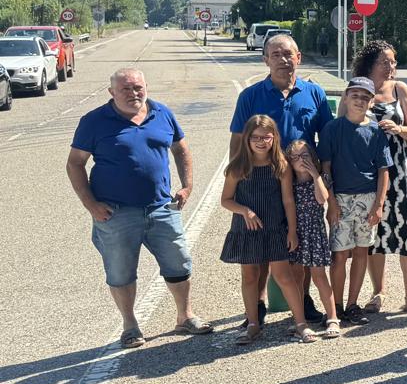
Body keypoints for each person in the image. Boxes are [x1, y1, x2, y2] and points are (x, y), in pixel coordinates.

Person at [67, 67, 212, 347]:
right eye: (126, 89)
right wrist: (90, 204)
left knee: (179, 263)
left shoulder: (162, 113)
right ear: (111, 92)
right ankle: (130, 326)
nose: (134, 93)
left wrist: (187, 186)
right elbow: (75, 163)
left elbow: (181, 150)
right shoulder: (94, 121)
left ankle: (185, 316)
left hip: (161, 207)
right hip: (115, 213)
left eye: (138, 88)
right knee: (121, 272)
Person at [229, 33, 332, 325]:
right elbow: (238, 142)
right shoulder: (250, 96)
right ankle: (257, 306)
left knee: (300, 243)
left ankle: (303, 299)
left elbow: (325, 141)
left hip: (300, 184)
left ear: (298, 58)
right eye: (275, 54)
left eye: (288, 54)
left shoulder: (315, 93)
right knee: (259, 243)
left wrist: (321, 178)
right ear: (265, 60)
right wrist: (238, 182)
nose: (283, 59)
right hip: (261, 182)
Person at [353, 40, 407, 314]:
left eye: (393, 62)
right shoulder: (358, 88)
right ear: (371, 64)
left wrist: (398, 129)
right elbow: (343, 124)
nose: (391, 67)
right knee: (376, 232)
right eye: (385, 62)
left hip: (402, 170)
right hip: (369, 171)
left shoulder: (400, 89)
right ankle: (378, 292)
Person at [221, 114, 299, 344]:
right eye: (255, 137)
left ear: (274, 138)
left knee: (283, 276)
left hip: (275, 228)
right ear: (247, 139)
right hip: (247, 230)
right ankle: (253, 323)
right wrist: (245, 210)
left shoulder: (281, 166)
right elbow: (226, 200)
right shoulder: (238, 167)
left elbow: (288, 201)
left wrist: (292, 230)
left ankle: (301, 322)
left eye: (266, 137)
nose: (261, 142)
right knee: (250, 276)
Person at [321, 77, 393, 324]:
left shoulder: (375, 131)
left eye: (365, 97)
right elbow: (326, 168)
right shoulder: (332, 129)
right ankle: (336, 306)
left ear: (371, 102)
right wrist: (331, 202)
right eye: (355, 96)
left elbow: (384, 170)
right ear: (346, 97)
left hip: (367, 198)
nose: (360, 101)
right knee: (339, 254)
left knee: (362, 251)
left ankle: (353, 304)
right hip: (340, 198)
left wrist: (378, 205)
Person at [285, 139, 340, 336]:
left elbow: (322, 198)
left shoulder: (318, 179)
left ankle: (332, 318)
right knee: (297, 277)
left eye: (305, 156)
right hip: (295, 233)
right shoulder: (288, 182)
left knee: (319, 276)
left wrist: (315, 174)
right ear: (289, 161)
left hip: (314, 233)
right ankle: (299, 318)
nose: (301, 160)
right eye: (296, 157)